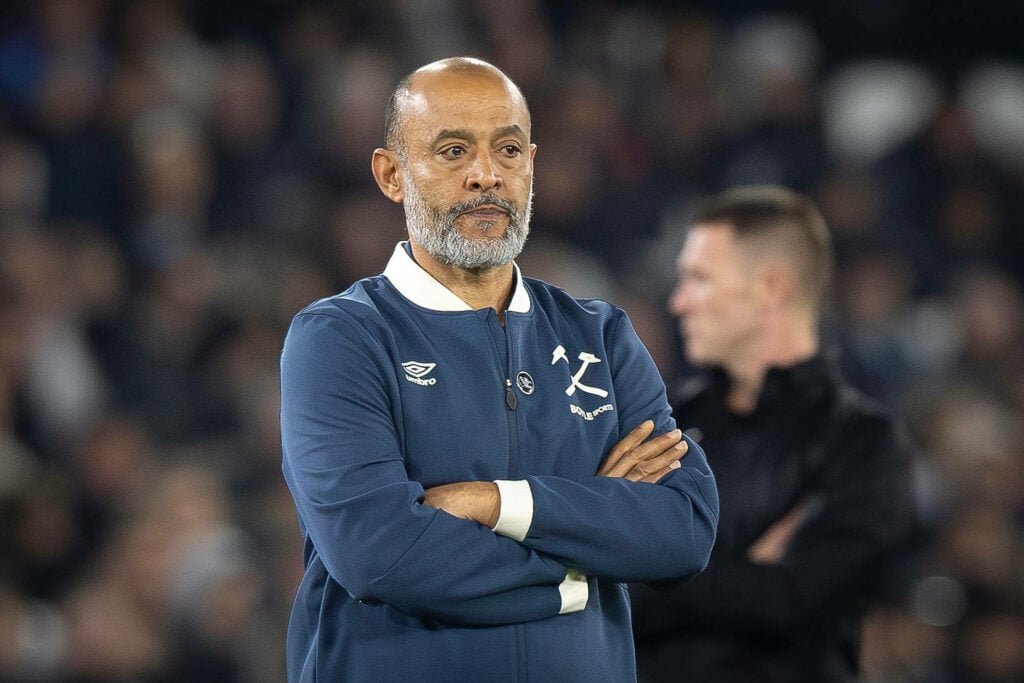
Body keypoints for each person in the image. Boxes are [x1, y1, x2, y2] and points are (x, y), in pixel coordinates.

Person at [278, 57, 719, 682]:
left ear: (532, 165)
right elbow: (380, 552)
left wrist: (496, 505)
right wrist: (582, 566)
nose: (486, 176)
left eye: (507, 150)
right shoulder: (340, 338)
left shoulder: (601, 335)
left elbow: (685, 529)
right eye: (453, 151)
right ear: (390, 175)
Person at [631, 185, 917, 682]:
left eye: (699, 279)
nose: (678, 304)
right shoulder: (662, 424)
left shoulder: (861, 443)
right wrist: (746, 574)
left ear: (771, 289)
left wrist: (661, 570)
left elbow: (795, 602)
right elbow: (606, 585)